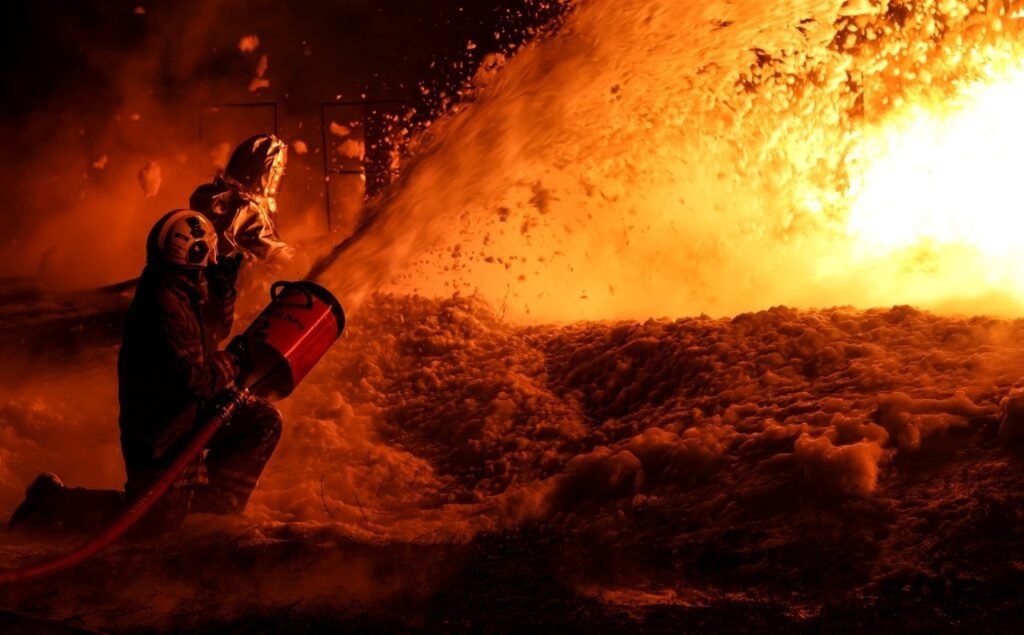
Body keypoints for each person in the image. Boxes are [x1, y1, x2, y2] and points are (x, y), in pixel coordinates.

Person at [8, 210, 282, 535]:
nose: (212, 258)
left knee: (260, 421)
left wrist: (223, 292)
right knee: (152, 520)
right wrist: (234, 361)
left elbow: (211, 332)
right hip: (159, 426)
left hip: (186, 410)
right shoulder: (163, 304)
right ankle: (53, 501)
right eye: (208, 251)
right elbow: (196, 381)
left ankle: (213, 504)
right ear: (195, 252)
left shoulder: (180, 286)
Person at [189, 134, 289, 263]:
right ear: (266, 171)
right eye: (278, 171)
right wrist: (300, 256)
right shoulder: (246, 207)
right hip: (234, 279)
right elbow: (272, 253)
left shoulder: (213, 194)